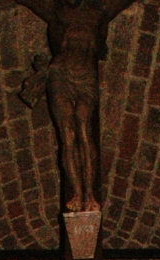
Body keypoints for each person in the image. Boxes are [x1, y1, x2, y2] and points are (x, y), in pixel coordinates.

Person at [15, 0, 134, 212]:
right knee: (68, 135)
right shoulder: (58, 10)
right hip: (60, 73)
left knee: (84, 128)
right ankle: (77, 193)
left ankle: (89, 194)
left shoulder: (100, 11)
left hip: (86, 75)